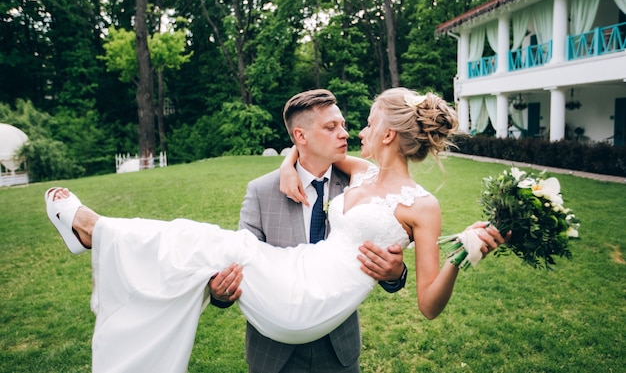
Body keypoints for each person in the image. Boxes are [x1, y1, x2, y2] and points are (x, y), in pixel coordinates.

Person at [45, 88, 508, 373]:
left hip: (311, 304)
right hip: (293, 276)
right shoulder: (362, 172)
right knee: (201, 240)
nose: (355, 131)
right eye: (345, 125)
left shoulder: (422, 206)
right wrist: (288, 164)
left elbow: (428, 305)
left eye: (364, 124)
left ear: (388, 135)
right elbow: (305, 150)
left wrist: (461, 253)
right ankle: (96, 233)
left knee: (206, 239)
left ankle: (94, 230)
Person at [207, 89, 407, 373]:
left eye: (343, 125)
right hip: (275, 352)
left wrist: (395, 274)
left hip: (338, 349)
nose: (344, 134)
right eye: (331, 127)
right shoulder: (261, 191)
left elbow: (386, 248)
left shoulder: (360, 185)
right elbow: (241, 262)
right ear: (301, 136)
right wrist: (220, 292)